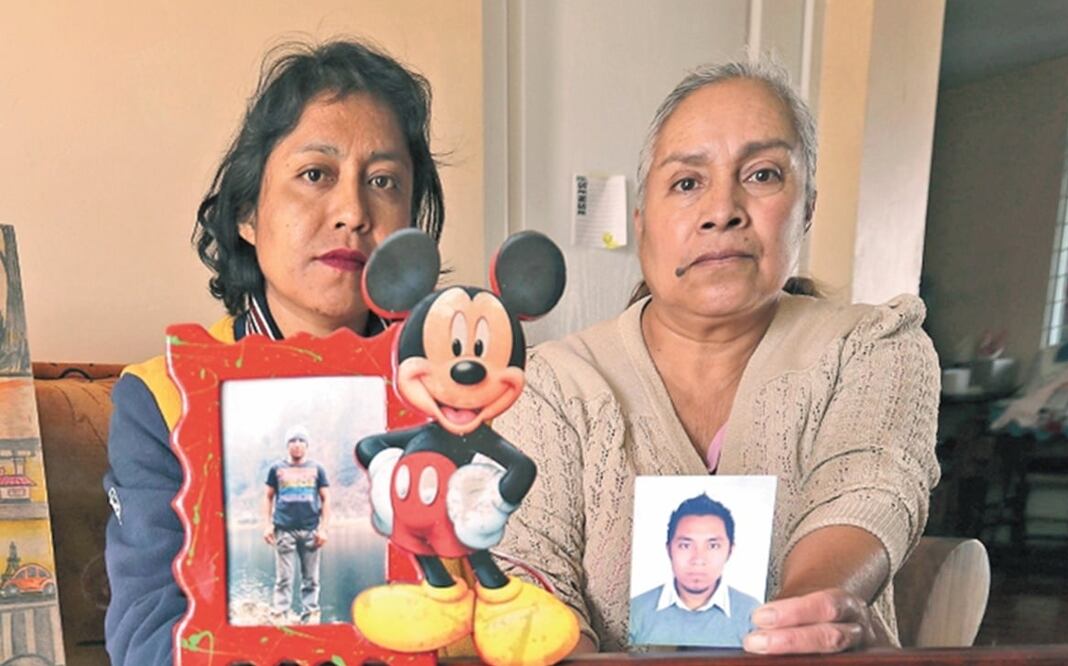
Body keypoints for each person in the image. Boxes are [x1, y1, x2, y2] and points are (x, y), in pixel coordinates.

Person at [493, 58, 940, 655]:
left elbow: (868, 493)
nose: (722, 209)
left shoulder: (873, 346)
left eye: (761, 175)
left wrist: (801, 623)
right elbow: (528, 570)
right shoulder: (555, 383)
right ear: (642, 222)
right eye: (686, 182)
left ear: (806, 207)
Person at [102, 39, 444, 665]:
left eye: (384, 181)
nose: (352, 212)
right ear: (246, 214)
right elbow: (147, 641)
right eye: (315, 175)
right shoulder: (162, 396)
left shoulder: (452, 389)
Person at [629, 494, 758, 647]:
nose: (698, 559)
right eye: (685, 545)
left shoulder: (753, 613)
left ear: (730, 551)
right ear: (669, 549)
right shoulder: (636, 611)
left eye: (713, 546)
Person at [264, 426, 330, 625]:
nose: (297, 444)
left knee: (311, 579)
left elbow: (326, 499)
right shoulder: (277, 469)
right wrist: (267, 525)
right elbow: (268, 497)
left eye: (301, 440)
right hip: (284, 530)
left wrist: (324, 529)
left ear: (307, 445)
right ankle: (280, 614)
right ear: (287, 445)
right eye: (293, 441)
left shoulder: (317, 469)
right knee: (283, 578)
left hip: (311, 530)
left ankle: (310, 615)